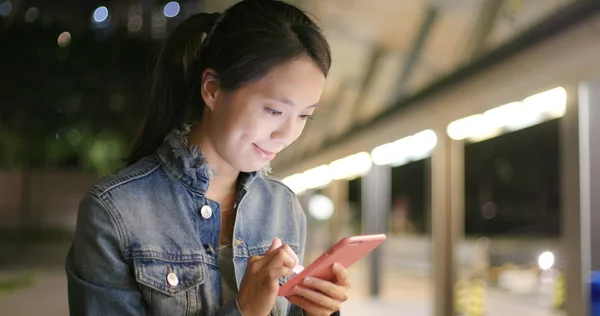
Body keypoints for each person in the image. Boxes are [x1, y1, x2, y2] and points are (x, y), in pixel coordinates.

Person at [65, 0, 351, 315]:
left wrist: (316, 311)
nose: (287, 133)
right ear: (212, 89)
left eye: (304, 116)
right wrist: (244, 310)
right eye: (274, 110)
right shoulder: (115, 211)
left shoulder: (282, 206)